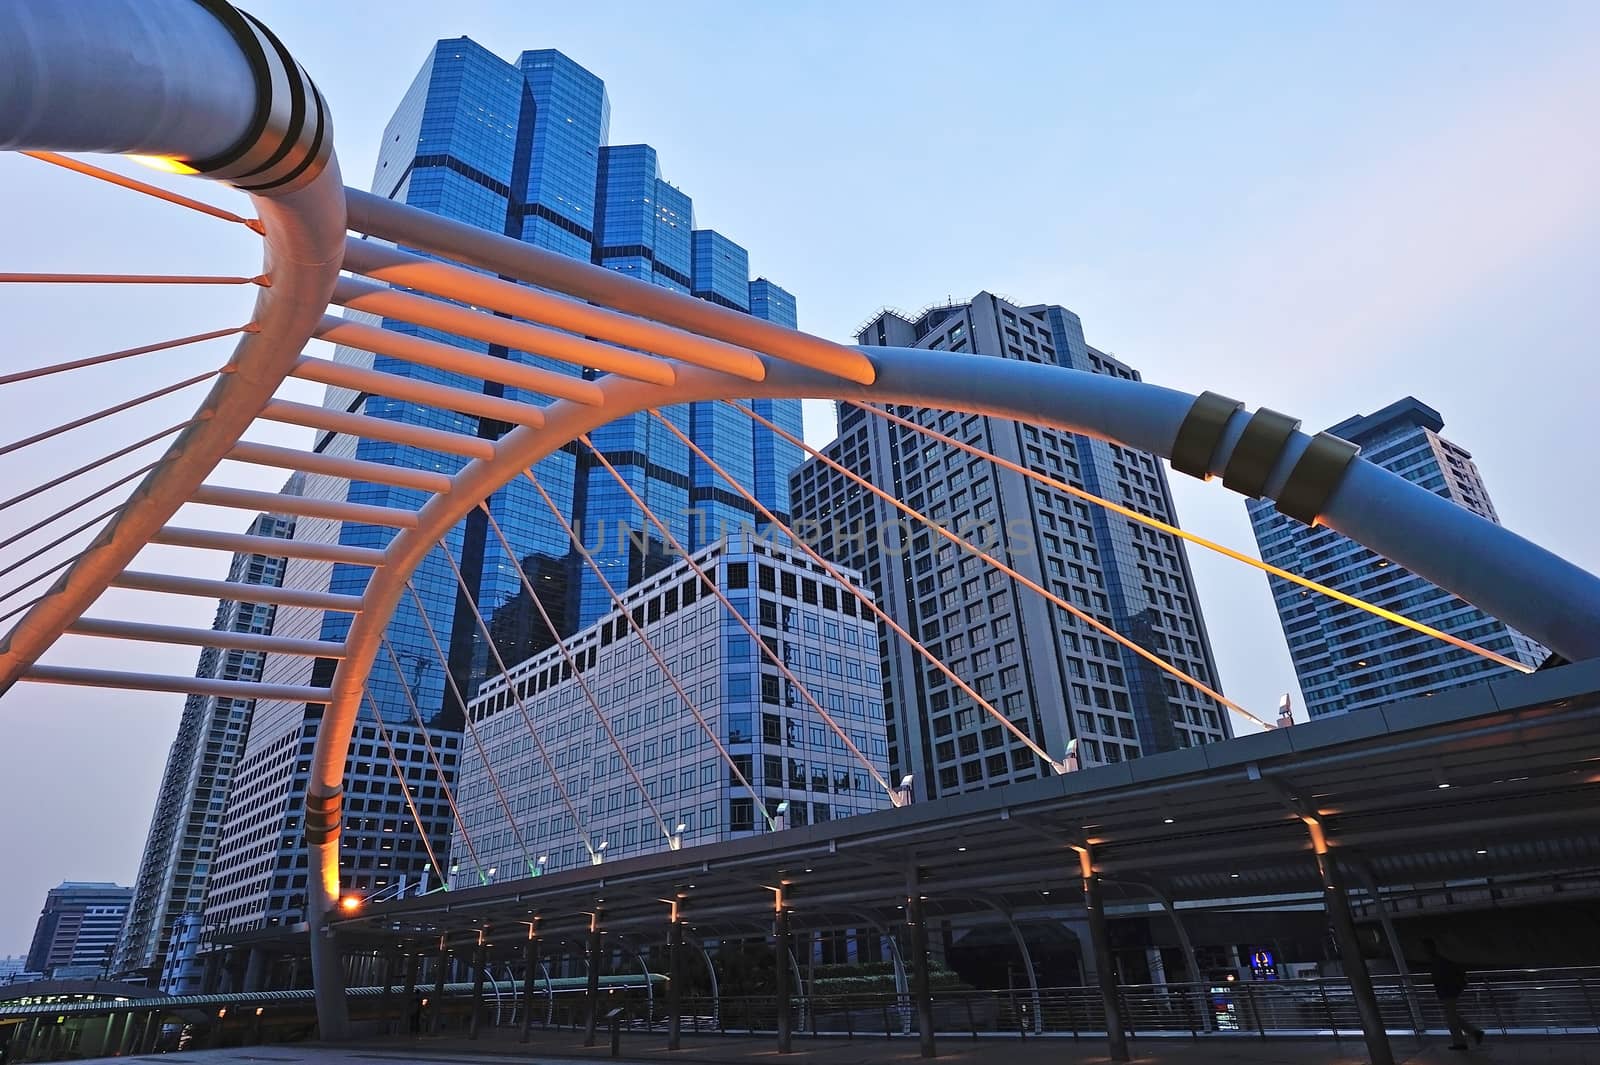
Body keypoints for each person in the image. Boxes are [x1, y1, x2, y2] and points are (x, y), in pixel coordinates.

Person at [1422, 938, 1484, 1051]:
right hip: (1450, 992)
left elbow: (1440, 979)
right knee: (1453, 1017)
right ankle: (1474, 1033)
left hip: (1447, 993)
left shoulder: (1437, 961)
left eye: (1424, 948)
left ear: (1428, 948)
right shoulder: (1440, 960)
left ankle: (1462, 1042)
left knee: (1451, 1019)